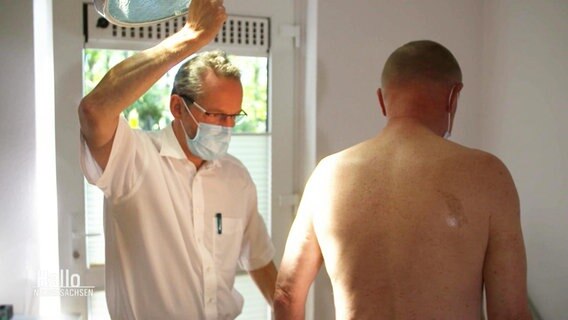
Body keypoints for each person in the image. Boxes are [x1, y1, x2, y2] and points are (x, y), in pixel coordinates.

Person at [274, 40, 531, 320]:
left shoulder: (327, 174)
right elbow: (509, 314)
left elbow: (286, 295)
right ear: (453, 96)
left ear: (382, 100)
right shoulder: (488, 175)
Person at [78, 0, 277, 318]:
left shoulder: (236, 178)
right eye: (214, 115)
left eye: (232, 117)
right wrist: (191, 36)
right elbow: (94, 110)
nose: (225, 127)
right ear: (177, 108)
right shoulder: (135, 160)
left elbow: (260, 260)